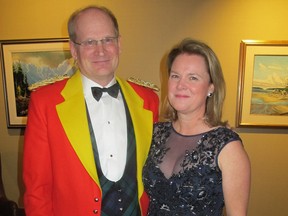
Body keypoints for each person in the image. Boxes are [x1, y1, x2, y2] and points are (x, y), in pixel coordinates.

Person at [23, 5, 159, 216]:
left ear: (119, 44)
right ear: (73, 49)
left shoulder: (148, 100)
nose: (101, 51)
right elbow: (37, 190)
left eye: (107, 40)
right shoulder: (45, 103)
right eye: (89, 42)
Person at [143, 38, 251, 215]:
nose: (181, 85)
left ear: (211, 87)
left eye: (193, 78)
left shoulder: (227, 147)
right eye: (175, 76)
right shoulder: (154, 133)